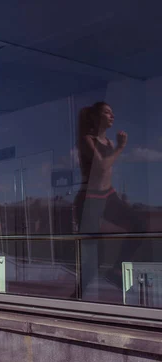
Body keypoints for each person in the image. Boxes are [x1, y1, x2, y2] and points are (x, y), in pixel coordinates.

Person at [74, 101, 144, 301]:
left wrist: (121, 199)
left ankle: (115, 270)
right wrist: (121, 147)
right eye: (107, 112)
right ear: (97, 117)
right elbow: (102, 167)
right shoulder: (87, 140)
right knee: (95, 257)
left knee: (139, 224)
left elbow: (109, 171)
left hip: (108, 195)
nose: (112, 116)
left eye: (113, 112)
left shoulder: (109, 143)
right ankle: (75, 297)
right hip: (90, 200)